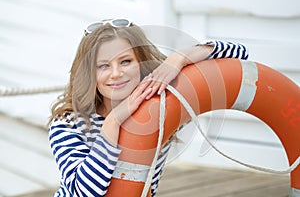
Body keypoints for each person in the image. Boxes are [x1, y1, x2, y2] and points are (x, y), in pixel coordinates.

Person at [48, 19, 249, 197]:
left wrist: (178, 59)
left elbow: (240, 54)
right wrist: (113, 121)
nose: (116, 73)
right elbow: (83, 193)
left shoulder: (161, 105)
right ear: (89, 73)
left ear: (141, 63)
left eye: (125, 61)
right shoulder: (67, 124)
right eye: (103, 66)